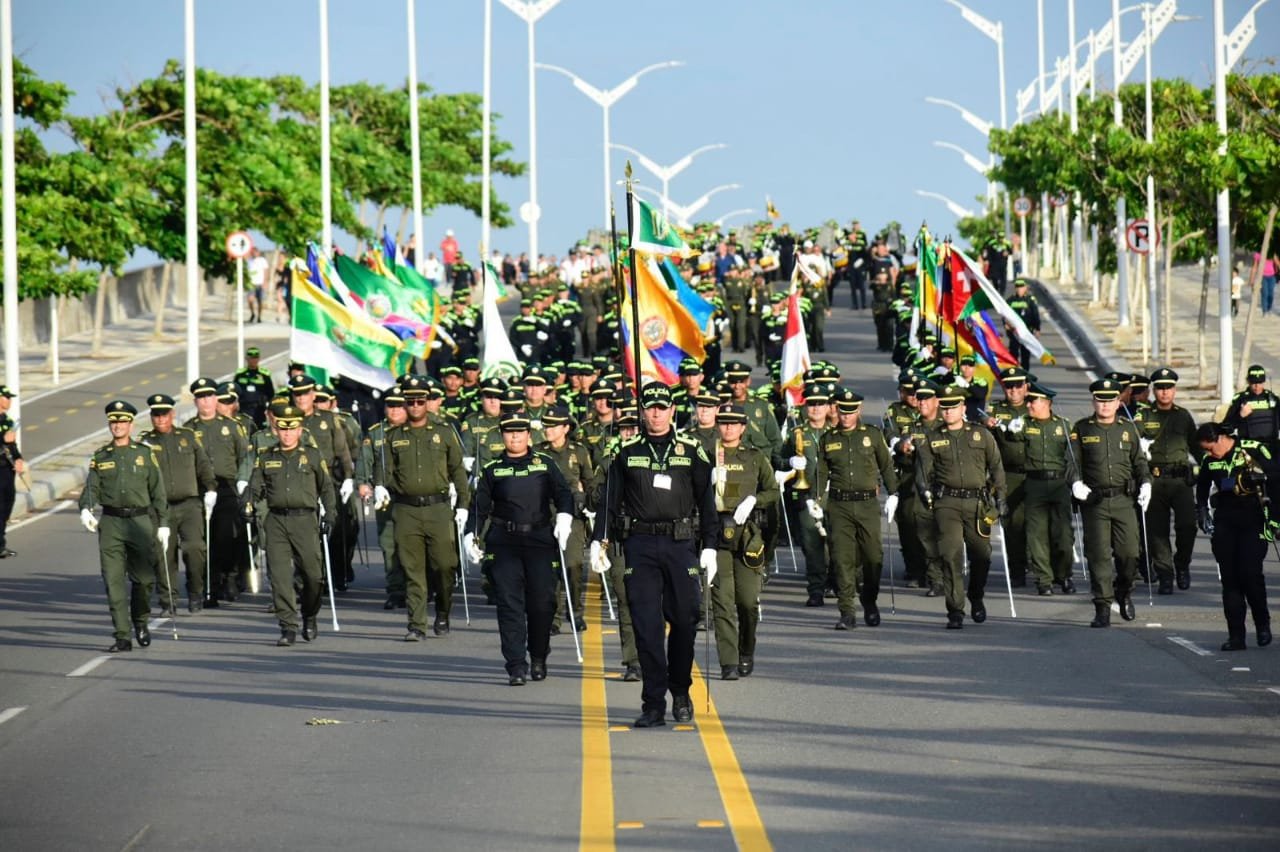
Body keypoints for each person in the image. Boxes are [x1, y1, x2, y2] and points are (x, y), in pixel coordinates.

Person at [591, 382, 719, 728]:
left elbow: (707, 500)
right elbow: (608, 499)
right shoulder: (625, 450)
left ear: (673, 410)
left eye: (663, 407)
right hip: (641, 545)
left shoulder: (692, 450)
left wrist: (710, 545)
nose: (656, 413)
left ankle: (680, 691)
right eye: (650, 407)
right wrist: (599, 538)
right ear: (643, 410)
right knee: (646, 626)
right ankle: (653, 702)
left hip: (680, 544)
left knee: (685, 620)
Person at [464, 413, 574, 684]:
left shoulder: (545, 464)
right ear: (502, 435)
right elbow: (480, 506)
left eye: (520, 432)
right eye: (509, 432)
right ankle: (515, 665)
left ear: (528, 435)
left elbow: (563, 494)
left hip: (539, 540)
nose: (514, 437)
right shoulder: (492, 469)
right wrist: (471, 534)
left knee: (542, 604)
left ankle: (538, 655)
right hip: (504, 542)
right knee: (509, 605)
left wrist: (564, 517)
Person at [372, 375, 470, 641]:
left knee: (445, 566)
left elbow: (458, 472)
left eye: (419, 400)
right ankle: (416, 625)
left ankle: (443, 610)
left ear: (427, 402)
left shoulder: (444, 433)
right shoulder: (393, 437)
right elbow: (384, 470)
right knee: (412, 569)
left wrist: (463, 505)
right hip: (406, 510)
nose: (415, 405)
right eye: (410, 401)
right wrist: (380, 486)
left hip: (438, 509)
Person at [79, 401, 169, 653]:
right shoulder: (101, 456)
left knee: (143, 580)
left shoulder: (144, 453)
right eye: (113, 422)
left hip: (140, 522)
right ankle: (122, 635)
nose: (117, 426)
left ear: (130, 424)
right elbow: (92, 487)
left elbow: (158, 491)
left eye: (122, 421)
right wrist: (86, 508)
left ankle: (140, 620)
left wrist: (163, 524)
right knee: (113, 579)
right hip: (111, 523)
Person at [915, 385, 1006, 629]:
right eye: (944, 407)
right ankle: (955, 609)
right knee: (950, 555)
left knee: (982, 555)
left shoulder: (981, 435)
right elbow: (923, 472)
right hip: (947, 504)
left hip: (977, 504)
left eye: (953, 407)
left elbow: (996, 466)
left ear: (963, 408)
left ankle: (976, 596)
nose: (948, 411)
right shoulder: (932, 439)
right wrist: (926, 493)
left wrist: (1001, 497)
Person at [246, 404, 336, 646]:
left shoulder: (313, 456)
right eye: (282, 429)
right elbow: (255, 486)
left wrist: (330, 515)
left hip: (305, 520)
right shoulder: (266, 456)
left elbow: (326, 488)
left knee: (313, 576)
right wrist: (247, 503)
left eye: (291, 429)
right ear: (276, 430)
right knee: (279, 576)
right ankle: (287, 626)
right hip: (276, 520)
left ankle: (309, 614)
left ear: (300, 430)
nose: (286, 434)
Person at [812, 389, 898, 628]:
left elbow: (886, 465)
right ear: (836, 411)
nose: (846, 416)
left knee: (873, 557)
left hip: (867, 504)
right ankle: (847, 612)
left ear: (858, 411)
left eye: (851, 412)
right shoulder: (828, 440)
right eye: (842, 411)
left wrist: (894, 493)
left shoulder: (871, 434)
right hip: (839, 505)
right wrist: (815, 500)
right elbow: (821, 472)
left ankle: (869, 600)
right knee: (842, 559)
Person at [1070, 378, 1152, 628]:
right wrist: (1075, 482)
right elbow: (1072, 462)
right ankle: (1102, 606)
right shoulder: (1082, 429)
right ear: (1094, 402)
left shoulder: (1127, 429)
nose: (1104, 405)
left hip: (1123, 500)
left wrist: (1146, 483)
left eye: (1109, 401)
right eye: (1100, 400)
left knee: (1129, 553)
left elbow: (1139, 462)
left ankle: (1123, 589)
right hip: (1095, 501)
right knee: (1098, 555)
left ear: (1118, 402)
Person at [1195, 423, 1274, 651]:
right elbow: (1202, 489)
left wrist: (1275, 518)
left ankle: (1263, 625)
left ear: (1220, 438)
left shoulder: (1252, 449)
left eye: (1210, 448)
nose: (1209, 453)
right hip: (1226, 521)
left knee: (1250, 575)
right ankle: (1236, 635)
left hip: (1254, 518)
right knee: (1230, 580)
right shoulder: (1209, 460)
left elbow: (1275, 479)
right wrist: (1201, 511)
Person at [137, 394, 217, 614]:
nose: (160, 419)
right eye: (156, 415)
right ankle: (168, 600)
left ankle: (195, 592)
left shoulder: (188, 437)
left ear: (172, 414)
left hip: (189, 504)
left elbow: (203, 466)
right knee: (163, 554)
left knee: (195, 549)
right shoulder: (146, 442)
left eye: (164, 414)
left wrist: (211, 489)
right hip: (160, 508)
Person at [1133, 368, 1201, 594]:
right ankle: (1165, 575)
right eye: (1160, 388)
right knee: (1157, 531)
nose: (1164, 392)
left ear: (1174, 390)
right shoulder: (1145, 415)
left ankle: (1182, 565)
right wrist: (1141, 445)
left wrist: (1210, 470)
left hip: (1180, 480)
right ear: (1154, 390)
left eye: (1168, 388)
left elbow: (1197, 446)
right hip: (1154, 479)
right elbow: (1134, 439)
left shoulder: (1183, 415)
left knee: (1188, 526)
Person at [184, 377, 250, 605]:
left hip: (227, 489)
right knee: (203, 541)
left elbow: (244, 457)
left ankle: (229, 576)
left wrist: (244, 482)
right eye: (201, 397)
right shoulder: (189, 430)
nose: (206, 401)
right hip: (199, 491)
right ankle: (209, 585)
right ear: (195, 402)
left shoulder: (232, 427)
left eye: (210, 396)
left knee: (226, 537)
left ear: (215, 399)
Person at [537, 405, 593, 635]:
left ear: (565, 428)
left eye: (553, 426)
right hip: (544, 514)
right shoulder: (538, 452)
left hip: (572, 516)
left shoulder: (578, 452)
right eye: (546, 425)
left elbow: (589, 482)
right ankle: (554, 616)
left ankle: (575, 610)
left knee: (572, 564)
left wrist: (587, 502)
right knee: (550, 569)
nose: (548, 430)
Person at [1021, 382, 1077, 595]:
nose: (1029, 406)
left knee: (1063, 535)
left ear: (1046, 403)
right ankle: (1044, 579)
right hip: (1034, 484)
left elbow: (1073, 457)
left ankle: (1063, 575)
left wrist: (1076, 482)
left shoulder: (1063, 425)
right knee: (1037, 535)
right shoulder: (1024, 424)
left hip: (1059, 484)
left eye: (1032, 401)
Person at [781, 386, 832, 606]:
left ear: (828, 407)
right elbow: (780, 461)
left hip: (834, 497)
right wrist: (789, 464)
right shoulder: (797, 434)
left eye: (821, 404)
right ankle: (816, 589)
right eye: (812, 404)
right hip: (807, 496)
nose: (816, 408)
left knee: (836, 544)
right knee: (812, 546)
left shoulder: (837, 432)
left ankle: (836, 581)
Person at [360, 386, 408, 610]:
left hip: (412, 497)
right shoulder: (376, 432)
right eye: (391, 405)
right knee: (389, 544)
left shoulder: (415, 430)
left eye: (400, 405)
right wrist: (362, 483)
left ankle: (419, 587)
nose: (395, 410)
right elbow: (365, 461)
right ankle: (396, 590)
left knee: (414, 544)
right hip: (386, 496)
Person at [986, 367, 1031, 587]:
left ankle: (1047, 567)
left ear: (1026, 387)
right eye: (1008, 386)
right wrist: (988, 427)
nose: (1013, 390)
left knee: (1040, 523)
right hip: (1009, 475)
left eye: (1017, 385)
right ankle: (1017, 568)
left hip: (1035, 474)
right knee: (1013, 524)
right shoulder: (995, 410)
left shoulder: (1035, 406)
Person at [0, 385, 26, 558]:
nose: (9, 401)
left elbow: (11, 444)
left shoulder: (6, 420)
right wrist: (2, 439)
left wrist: (18, 458)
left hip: (6, 468)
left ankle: (1, 543)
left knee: (7, 504)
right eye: (6, 397)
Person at [1224, 365, 1280, 441]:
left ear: (1264, 382)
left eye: (1259, 382)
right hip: (1248, 446)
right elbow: (1226, 427)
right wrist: (1240, 415)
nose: (1256, 386)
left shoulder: (1273, 399)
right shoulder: (1240, 399)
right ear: (1248, 381)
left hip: (1271, 445)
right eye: (1253, 382)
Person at [234, 346, 275, 427]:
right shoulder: (240, 374)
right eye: (251, 358)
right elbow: (235, 391)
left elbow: (271, 393)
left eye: (255, 358)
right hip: (244, 408)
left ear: (259, 359)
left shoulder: (264, 375)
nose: (253, 360)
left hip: (259, 409)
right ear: (247, 358)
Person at [246, 247, 270, 323]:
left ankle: (259, 316)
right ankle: (253, 314)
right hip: (251, 283)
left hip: (260, 283)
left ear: (258, 253)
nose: (254, 253)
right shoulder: (249, 261)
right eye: (253, 252)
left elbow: (266, 271)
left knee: (260, 301)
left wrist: (265, 282)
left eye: (255, 252)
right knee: (250, 300)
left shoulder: (262, 260)